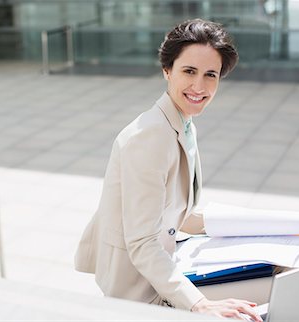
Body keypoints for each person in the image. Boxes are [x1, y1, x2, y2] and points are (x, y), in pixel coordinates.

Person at [75, 18, 262, 322]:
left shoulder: (182, 123)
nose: (199, 87)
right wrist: (200, 304)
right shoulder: (150, 137)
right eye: (189, 71)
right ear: (167, 70)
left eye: (210, 75)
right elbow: (142, 242)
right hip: (139, 290)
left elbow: (179, 214)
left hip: (162, 267)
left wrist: (254, 226)